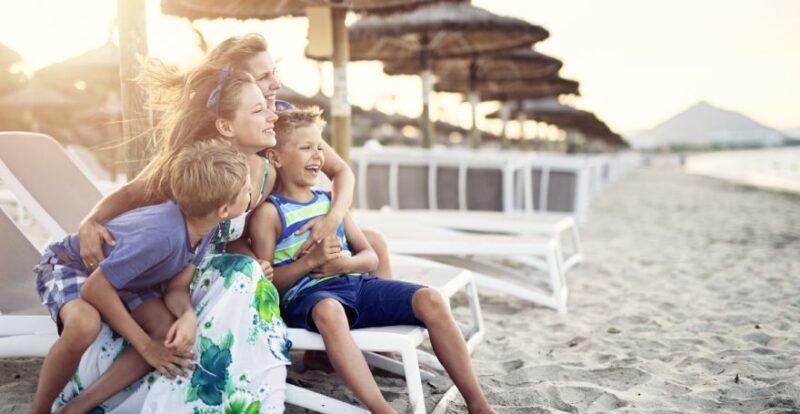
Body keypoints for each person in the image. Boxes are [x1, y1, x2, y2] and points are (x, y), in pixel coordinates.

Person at [250, 107, 496, 414]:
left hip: (355, 283)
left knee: (432, 299)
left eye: (319, 147)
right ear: (276, 158)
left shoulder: (329, 202)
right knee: (329, 310)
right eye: (306, 148)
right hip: (309, 298)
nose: (318, 156)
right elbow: (268, 283)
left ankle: (478, 403)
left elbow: (369, 257)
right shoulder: (270, 214)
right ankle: (381, 408)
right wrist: (310, 262)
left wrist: (344, 265)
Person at [29, 139, 251, 414]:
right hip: (73, 266)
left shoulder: (207, 229)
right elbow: (95, 288)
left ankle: (76, 408)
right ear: (224, 210)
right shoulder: (163, 235)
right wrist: (145, 346)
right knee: (84, 325)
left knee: (165, 333)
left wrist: (187, 316)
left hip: (129, 280)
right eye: (246, 190)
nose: (251, 191)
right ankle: (37, 411)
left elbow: (177, 287)